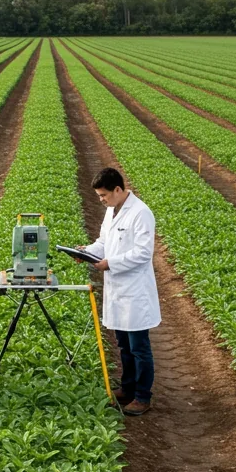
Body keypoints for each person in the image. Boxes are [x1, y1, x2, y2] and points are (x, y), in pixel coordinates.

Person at [83, 167, 161, 416]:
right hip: (118, 289)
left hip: (135, 290)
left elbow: (143, 252)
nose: (102, 200)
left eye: (104, 195)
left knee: (139, 346)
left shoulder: (141, 213)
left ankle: (142, 396)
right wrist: (87, 251)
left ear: (118, 189)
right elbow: (104, 242)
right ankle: (127, 388)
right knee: (124, 345)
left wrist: (111, 263)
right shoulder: (111, 211)